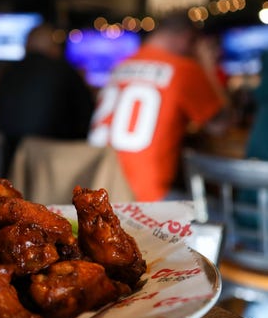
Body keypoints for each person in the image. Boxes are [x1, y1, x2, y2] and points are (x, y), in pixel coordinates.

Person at [87, 12, 229, 202]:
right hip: (147, 198)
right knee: (222, 213)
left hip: (99, 192)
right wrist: (208, 65)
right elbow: (220, 126)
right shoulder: (184, 68)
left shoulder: (121, 66)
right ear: (187, 38)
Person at [0, 23, 95, 171]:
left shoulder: (8, 72)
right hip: (53, 164)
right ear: (54, 47)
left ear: (26, 45)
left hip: (10, 161)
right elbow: (88, 114)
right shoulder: (65, 72)